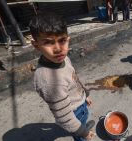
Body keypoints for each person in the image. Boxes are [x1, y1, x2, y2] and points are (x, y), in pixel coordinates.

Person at [29, 13, 95, 141]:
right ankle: (82, 132)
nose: (58, 49)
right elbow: (64, 117)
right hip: (73, 113)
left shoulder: (63, 58)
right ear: (36, 45)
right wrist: (83, 133)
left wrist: (85, 95)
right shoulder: (48, 82)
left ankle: (83, 126)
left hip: (80, 104)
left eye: (62, 40)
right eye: (48, 42)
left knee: (82, 121)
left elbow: (74, 78)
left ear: (68, 39)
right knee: (80, 134)